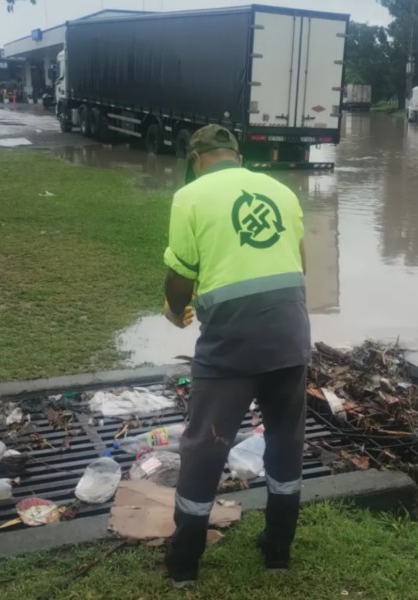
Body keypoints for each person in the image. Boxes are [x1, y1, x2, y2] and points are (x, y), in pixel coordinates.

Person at [161, 125, 310, 588]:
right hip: (290, 334)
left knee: (205, 447)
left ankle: (184, 563)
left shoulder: (190, 196)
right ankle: (278, 550)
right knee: (285, 441)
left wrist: (173, 310)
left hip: (230, 342)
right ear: (236, 157)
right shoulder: (282, 191)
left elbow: (180, 278)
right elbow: (299, 264)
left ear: (197, 158)